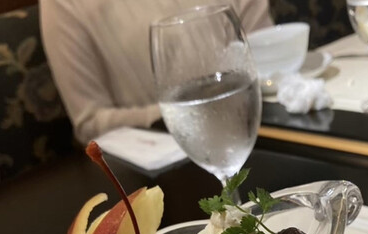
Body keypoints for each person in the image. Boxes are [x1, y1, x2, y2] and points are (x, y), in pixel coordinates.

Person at [39, 0, 273, 144]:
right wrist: (188, 115)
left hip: (265, 132)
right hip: (164, 167)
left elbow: (270, 56)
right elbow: (90, 122)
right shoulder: (64, 4)